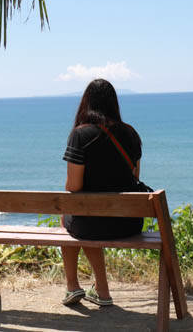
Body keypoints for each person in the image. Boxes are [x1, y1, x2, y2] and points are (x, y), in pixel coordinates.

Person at [60, 78, 144, 307]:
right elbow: (134, 178)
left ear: (86, 103)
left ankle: (73, 286)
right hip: (129, 223)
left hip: (91, 224)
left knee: (73, 214)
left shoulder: (80, 135)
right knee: (87, 215)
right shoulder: (131, 134)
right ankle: (100, 290)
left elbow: (73, 187)